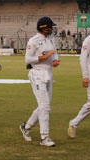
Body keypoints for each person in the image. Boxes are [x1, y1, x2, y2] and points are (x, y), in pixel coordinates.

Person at [20, 17, 59, 147]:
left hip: (48, 73)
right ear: (44, 28)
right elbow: (27, 59)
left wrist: (55, 60)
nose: (52, 29)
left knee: (45, 105)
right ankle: (44, 137)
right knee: (45, 106)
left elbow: (55, 53)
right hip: (37, 73)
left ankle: (26, 126)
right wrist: (45, 57)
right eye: (50, 27)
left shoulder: (51, 39)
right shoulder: (34, 41)